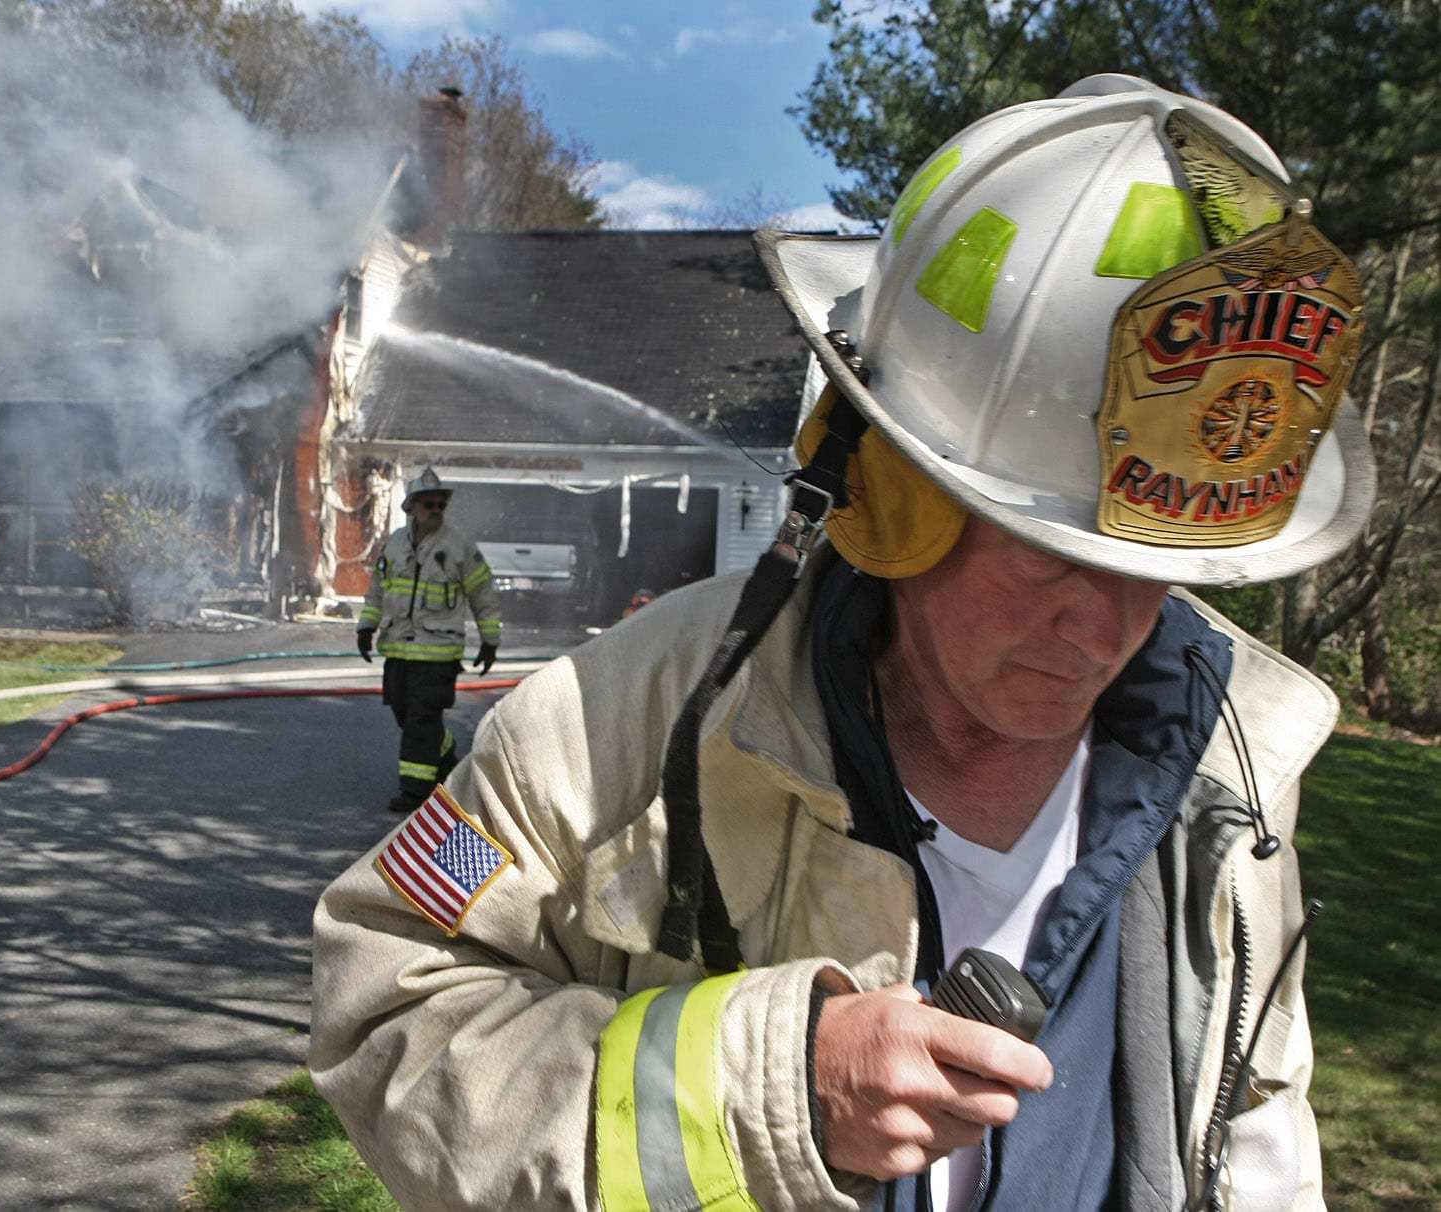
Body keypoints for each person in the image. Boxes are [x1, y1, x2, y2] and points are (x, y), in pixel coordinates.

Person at [310, 75, 1367, 1211]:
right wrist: (764, 1092)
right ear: (884, 493)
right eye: (1050, 549)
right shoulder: (610, 726)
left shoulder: (1235, 766)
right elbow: (389, 996)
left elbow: (1256, 1120)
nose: (1106, 626)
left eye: (1154, 562)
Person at [356, 467, 502, 814]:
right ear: (412, 509)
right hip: (398, 650)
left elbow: (483, 595)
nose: (436, 509)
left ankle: (416, 791)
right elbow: (378, 591)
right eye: (428, 504)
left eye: (440, 504)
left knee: (421, 721)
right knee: (406, 716)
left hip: (438, 653)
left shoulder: (460, 548)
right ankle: (445, 753)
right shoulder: (394, 544)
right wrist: (366, 628)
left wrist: (490, 640)